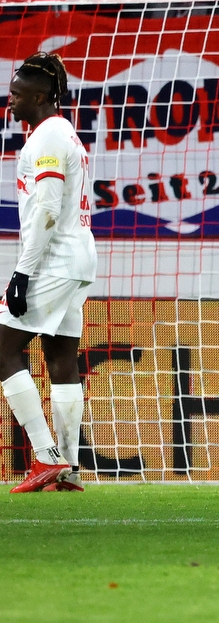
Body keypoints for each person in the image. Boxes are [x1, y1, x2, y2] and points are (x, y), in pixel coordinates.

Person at [2, 52, 97, 494]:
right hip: (78, 257)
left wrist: (22, 272)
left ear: (40, 96)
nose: (10, 101)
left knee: (2, 349)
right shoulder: (65, 134)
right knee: (61, 359)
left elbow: (47, 205)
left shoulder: (46, 138)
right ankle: (71, 466)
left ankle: (45, 454)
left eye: (17, 94)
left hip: (54, 260)